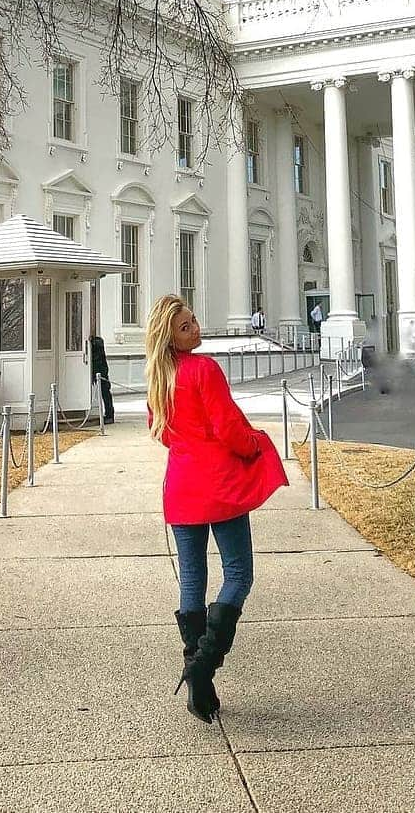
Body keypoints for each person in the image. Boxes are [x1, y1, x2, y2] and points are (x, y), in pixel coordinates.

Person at [145, 294, 288, 723]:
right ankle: (203, 666)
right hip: (220, 486)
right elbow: (228, 427)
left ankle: (198, 676)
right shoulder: (204, 369)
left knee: (193, 581)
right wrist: (253, 446)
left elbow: (164, 434)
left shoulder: (159, 377)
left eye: (194, 320)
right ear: (170, 337)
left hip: (182, 487)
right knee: (239, 574)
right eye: (187, 326)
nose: (197, 328)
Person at [89, 335, 114, 424]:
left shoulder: (98, 353)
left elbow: (98, 362)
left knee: (106, 394)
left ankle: (109, 414)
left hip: (101, 374)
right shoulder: (100, 352)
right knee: (106, 394)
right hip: (102, 373)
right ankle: (109, 414)